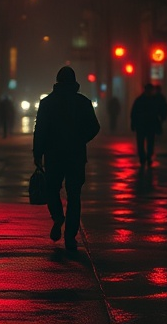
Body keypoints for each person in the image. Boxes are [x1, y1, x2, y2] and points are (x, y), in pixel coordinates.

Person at [33, 66, 100, 251]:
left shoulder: (47, 103)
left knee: (52, 190)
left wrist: (37, 153)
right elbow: (95, 127)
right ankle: (70, 236)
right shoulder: (83, 102)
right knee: (74, 196)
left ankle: (57, 217)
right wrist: (80, 139)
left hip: (53, 156)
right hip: (76, 156)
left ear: (57, 81)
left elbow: (40, 131)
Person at [130, 83, 167, 166]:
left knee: (144, 142)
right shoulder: (153, 100)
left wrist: (133, 123)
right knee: (148, 141)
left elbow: (134, 112)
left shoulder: (140, 100)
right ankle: (147, 156)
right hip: (148, 124)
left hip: (143, 124)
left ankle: (144, 157)